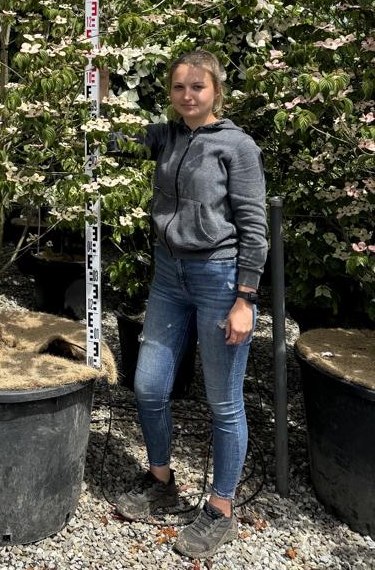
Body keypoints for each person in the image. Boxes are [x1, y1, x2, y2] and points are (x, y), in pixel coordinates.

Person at [113, 50, 267, 559]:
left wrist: (245, 298)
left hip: (219, 277)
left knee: (224, 402)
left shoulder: (236, 146)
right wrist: (98, 79)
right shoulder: (165, 135)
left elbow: (254, 228)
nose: (187, 96)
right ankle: (161, 480)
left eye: (197, 88)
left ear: (215, 91)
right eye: (179, 87)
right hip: (168, 276)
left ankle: (220, 509)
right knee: (149, 384)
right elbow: (111, 142)